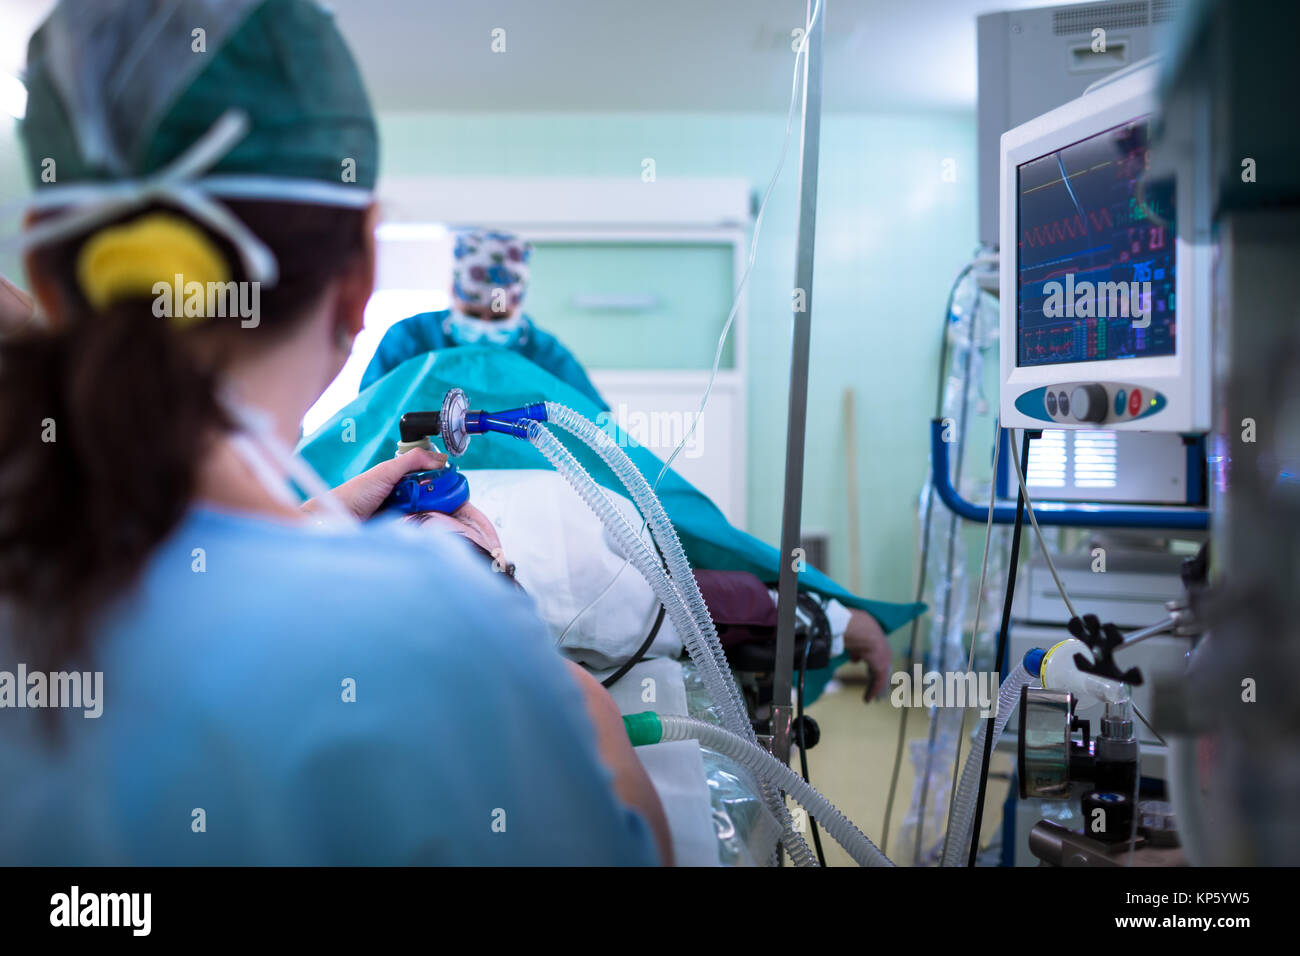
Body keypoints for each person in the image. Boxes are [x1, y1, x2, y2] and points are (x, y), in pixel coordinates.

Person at [0, 0, 669, 866]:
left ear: (49, 280)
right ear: (359, 282)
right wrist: (590, 717)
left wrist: (316, 525)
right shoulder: (449, 638)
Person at [360, 229, 609, 408]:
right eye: (473, 314)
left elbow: (596, 424)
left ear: (519, 303)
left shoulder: (546, 355)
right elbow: (368, 416)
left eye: (499, 316)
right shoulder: (410, 339)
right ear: (452, 292)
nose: (484, 325)